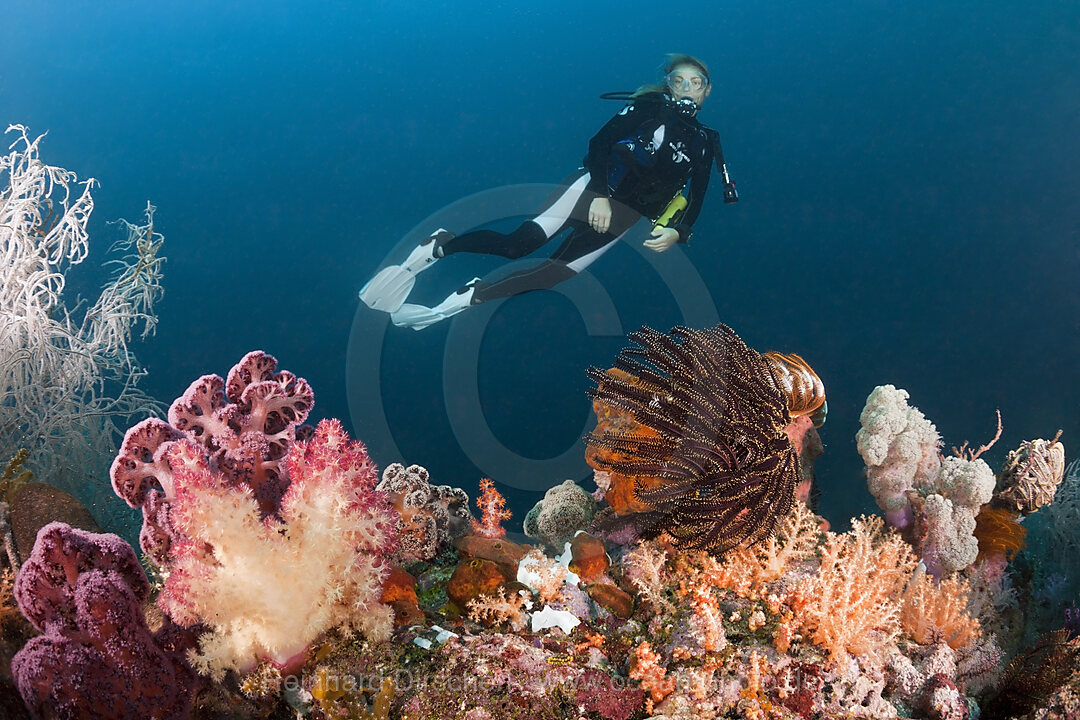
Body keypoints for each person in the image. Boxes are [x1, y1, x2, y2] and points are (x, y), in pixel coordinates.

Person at [360, 54, 737, 330]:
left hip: (624, 218)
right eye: (679, 80)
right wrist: (602, 195)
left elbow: (698, 193)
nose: (687, 88)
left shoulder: (706, 142)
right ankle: (441, 245)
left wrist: (679, 231)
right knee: (517, 245)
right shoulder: (650, 107)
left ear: (707, 91)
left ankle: (468, 297)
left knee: (552, 275)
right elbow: (600, 143)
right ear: (668, 84)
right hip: (592, 190)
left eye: (696, 82)